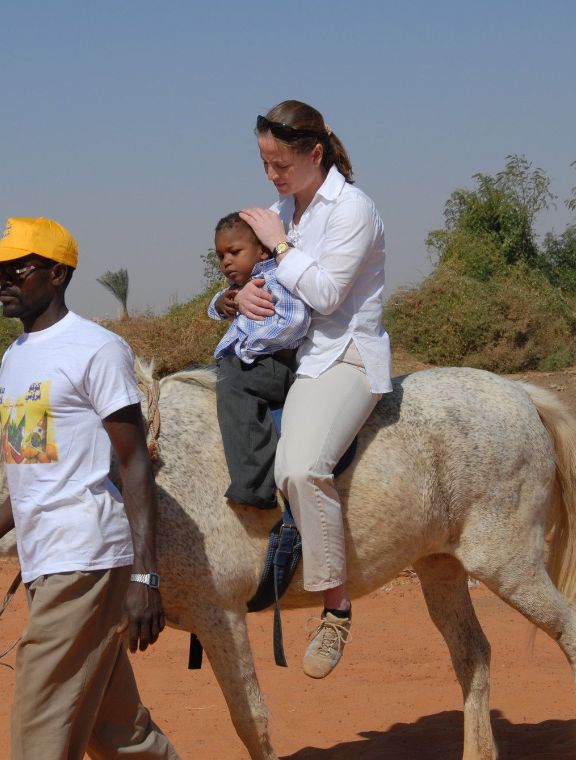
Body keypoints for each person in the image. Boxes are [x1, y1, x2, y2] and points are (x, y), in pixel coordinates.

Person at [0, 217, 179, 760]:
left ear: (58, 273)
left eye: (18, 268)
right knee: (118, 733)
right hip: (45, 560)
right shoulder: (16, 359)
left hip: (84, 555)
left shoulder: (96, 348)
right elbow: (31, 472)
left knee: (39, 725)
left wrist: (145, 574)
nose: (3, 280)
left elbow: (134, 464)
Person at [228, 100, 392, 679]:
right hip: (293, 353)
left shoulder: (353, 209)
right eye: (265, 163)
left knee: (301, 469)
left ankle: (335, 609)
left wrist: (278, 244)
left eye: (280, 164)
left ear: (314, 154)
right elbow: (269, 281)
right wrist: (242, 296)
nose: (272, 175)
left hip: (344, 355)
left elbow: (324, 295)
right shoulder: (284, 208)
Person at [207, 212, 310, 510]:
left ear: (262, 250)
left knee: (234, 383)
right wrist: (221, 302)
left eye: (235, 252)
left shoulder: (276, 278)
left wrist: (251, 348)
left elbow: (295, 319)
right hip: (258, 362)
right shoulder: (241, 287)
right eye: (220, 255)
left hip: (275, 365)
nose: (226, 261)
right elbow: (216, 307)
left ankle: (255, 484)